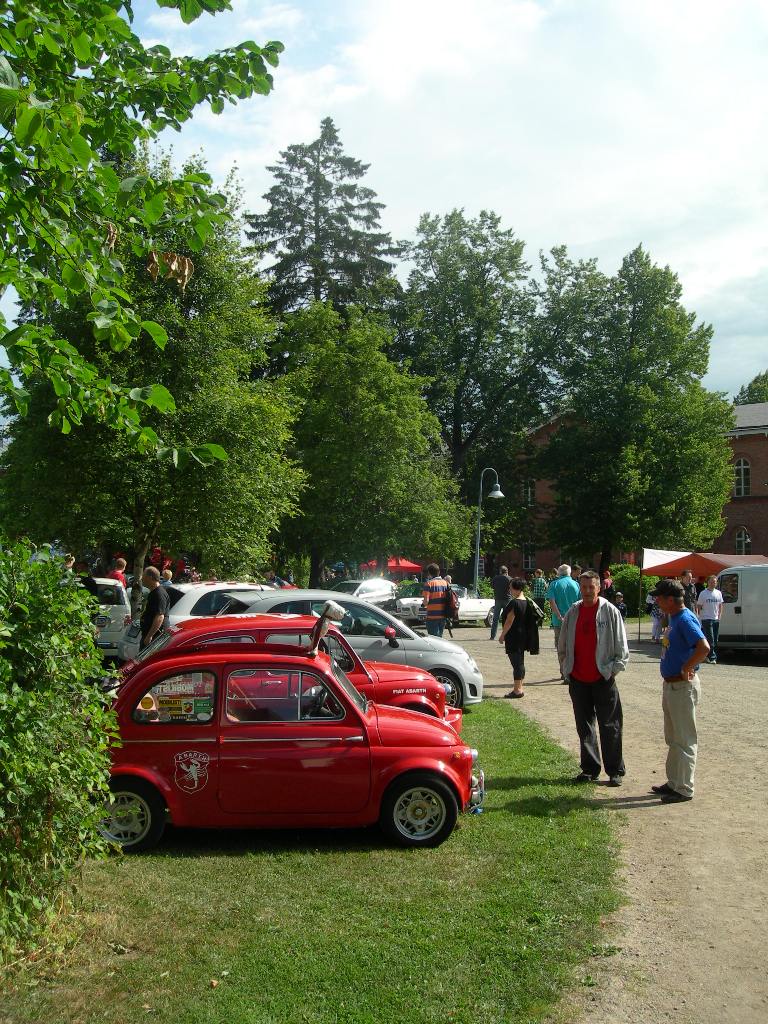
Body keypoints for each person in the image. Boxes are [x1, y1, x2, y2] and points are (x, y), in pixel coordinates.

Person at [558, 570, 629, 786]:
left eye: (592, 587)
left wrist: (612, 670)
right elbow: (562, 645)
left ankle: (615, 770)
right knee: (584, 726)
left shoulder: (610, 611)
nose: (588, 591)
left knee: (611, 726)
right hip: (578, 680)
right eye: (584, 587)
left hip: (603, 678)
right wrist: (565, 668)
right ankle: (589, 769)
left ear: (599, 588)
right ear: (580, 588)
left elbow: (621, 646)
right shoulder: (573, 611)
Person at [649, 578, 709, 803]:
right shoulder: (674, 617)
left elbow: (703, 647)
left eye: (660, 597)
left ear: (671, 599)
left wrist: (687, 666)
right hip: (672, 685)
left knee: (684, 739)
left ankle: (684, 788)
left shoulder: (684, 619)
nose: (657, 600)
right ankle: (674, 781)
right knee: (673, 737)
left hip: (682, 686)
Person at [498, 577, 538, 698]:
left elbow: (509, 620)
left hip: (514, 636)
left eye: (510, 587)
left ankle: (517, 690)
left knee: (516, 664)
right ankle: (520, 687)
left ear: (516, 588)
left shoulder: (514, 602)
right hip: (523, 635)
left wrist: (502, 635)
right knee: (520, 662)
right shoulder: (527, 601)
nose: (509, 590)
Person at [545, 564, 580, 680]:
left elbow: (552, 601)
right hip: (574, 620)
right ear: (569, 573)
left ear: (559, 573)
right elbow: (580, 602)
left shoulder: (554, 584)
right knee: (573, 646)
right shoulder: (576, 584)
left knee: (561, 648)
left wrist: (559, 616)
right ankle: (572, 671)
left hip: (559, 621)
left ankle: (564, 672)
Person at [140, 566, 170, 649]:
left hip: (155, 636)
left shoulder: (159, 594)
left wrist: (149, 636)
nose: (142, 579)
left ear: (150, 577)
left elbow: (160, 617)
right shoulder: (153, 593)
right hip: (150, 634)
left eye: (143, 576)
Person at [696, 574, 724, 664]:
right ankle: (712, 657)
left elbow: (720, 605)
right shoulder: (703, 593)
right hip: (706, 618)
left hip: (715, 618)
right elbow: (699, 606)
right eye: (711, 582)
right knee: (710, 639)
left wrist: (719, 616)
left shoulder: (718, 593)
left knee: (715, 639)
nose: (713, 583)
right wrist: (699, 617)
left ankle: (706, 655)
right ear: (707, 582)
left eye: (714, 582)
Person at [422, 563, 448, 638]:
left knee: (433, 639)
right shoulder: (445, 583)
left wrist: (423, 604)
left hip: (432, 616)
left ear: (429, 573)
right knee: (439, 637)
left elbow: (426, 601)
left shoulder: (429, 584)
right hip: (443, 615)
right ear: (439, 572)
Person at [489, 565, 512, 640]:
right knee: (507, 618)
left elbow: (492, 586)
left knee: (495, 618)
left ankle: (493, 636)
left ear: (500, 571)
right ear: (507, 572)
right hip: (507, 599)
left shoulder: (495, 578)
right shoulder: (509, 579)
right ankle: (506, 635)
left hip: (498, 599)